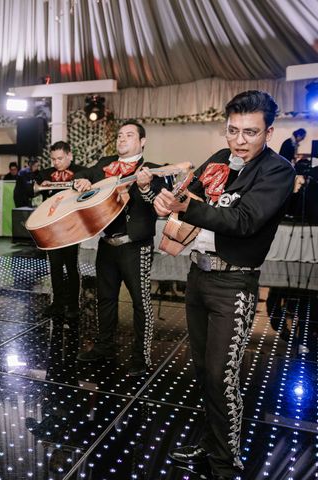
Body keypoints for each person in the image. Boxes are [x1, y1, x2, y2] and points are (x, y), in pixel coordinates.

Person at [153, 90, 295, 480]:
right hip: (198, 276)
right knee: (202, 370)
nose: (239, 140)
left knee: (221, 374)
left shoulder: (277, 170)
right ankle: (212, 441)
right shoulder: (217, 160)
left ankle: (225, 460)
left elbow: (245, 220)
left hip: (234, 282)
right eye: (232, 130)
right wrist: (163, 199)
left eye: (250, 132)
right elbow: (188, 195)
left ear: (269, 130)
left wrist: (188, 207)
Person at [73, 121, 161, 377]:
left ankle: (141, 357)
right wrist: (81, 182)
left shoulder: (152, 169)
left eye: (129, 135)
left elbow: (156, 202)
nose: (122, 139)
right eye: (120, 135)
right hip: (106, 244)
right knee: (105, 299)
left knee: (140, 303)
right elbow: (82, 174)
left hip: (136, 245)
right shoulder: (106, 162)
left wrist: (144, 186)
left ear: (142, 141)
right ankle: (104, 347)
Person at [34, 141, 86, 320]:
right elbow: (32, 191)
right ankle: (57, 303)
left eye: (60, 158)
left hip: (72, 226)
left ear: (70, 155)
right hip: (52, 227)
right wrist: (44, 185)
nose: (56, 162)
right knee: (55, 266)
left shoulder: (82, 172)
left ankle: (74, 305)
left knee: (71, 266)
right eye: (53, 159)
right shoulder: (45, 174)